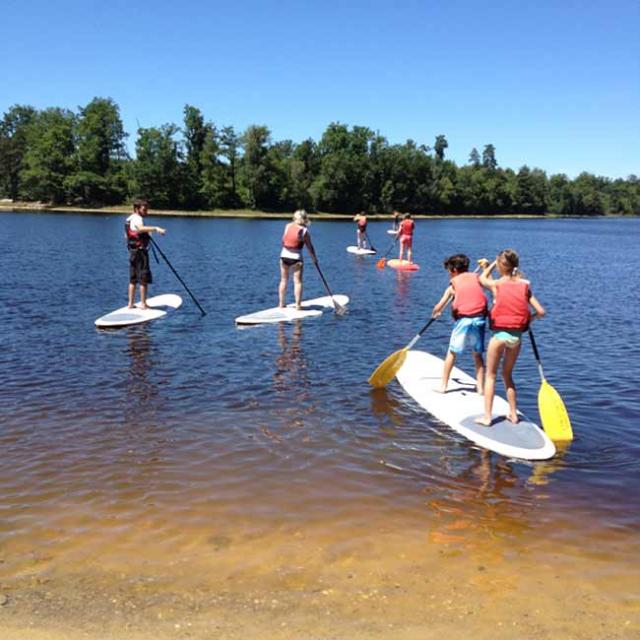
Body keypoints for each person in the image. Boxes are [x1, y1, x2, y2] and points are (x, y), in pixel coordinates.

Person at [475, 249, 545, 426]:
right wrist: (529, 319)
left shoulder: (497, 284)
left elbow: (482, 278)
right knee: (507, 375)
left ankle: (487, 417)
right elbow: (541, 312)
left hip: (499, 336)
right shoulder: (524, 286)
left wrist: (489, 263)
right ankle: (513, 414)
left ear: (500, 266)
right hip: (516, 338)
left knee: (490, 376)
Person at [431, 254, 488, 394]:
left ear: (454, 270)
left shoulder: (453, 285)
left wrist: (435, 313)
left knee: (452, 353)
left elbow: (438, 306)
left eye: (449, 271)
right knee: (478, 355)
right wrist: (486, 266)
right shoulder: (476, 278)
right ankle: (480, 388)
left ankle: (443, 386)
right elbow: (484, 278)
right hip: (479, 319)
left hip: (464, 321)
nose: (449, 275)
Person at [125, 199, 166, 309]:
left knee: (133, 279)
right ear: (137, 209)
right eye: (144, 209)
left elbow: (127, 236)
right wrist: (155, 229)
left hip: (132, 252)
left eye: (147, 209)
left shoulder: (129, 219)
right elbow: (140, 228)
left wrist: (144, 235)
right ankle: (143, 304)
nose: (146, 211)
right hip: (140, 252)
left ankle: (130, 303)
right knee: (143, 278)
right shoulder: (138, 219)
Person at [279, 209, 318, 310]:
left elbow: (284, 240)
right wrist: (314, 259)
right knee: (297, 282)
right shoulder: (305, 231)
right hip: (296, 259)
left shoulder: (287, 226)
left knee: (283, 280)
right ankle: (298, 305)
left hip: (283, 256)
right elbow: (310, 247)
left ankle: (281, 304)